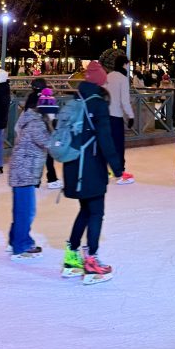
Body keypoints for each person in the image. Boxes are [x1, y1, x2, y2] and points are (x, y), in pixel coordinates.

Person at [62, 60, 123, 283]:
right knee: (96, 211)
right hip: (91, 167)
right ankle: (91, 261)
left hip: (73, 165)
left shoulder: (76, 99)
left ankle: (71, 258)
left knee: (85, 210)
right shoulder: (98, 104)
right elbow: (105, 139)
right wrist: (118, 168)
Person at [7, 88, 51, 261]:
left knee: (22, 210)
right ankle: (21, 245)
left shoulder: (32, 118)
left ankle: (15, 241)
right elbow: (48, 142)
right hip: (24, 172)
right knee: (26, 211)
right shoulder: (35, 122)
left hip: (23, 171)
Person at [99, 48, 135, 185]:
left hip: (105, 115)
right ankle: (120, 172)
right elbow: (124, 100)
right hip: (116, 116)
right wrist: (130, 116)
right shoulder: (122, 79)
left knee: (106, 143)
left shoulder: (107, 77)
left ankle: (106, 169)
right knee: (118, 145)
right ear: (124, 64)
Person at [30, 77, 62, 190]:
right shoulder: (50, 99)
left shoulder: (32, 97)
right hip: (47, 130)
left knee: (37, 155)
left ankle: (35, 181)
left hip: (35, 130)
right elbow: (54, 116)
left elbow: (27, 113)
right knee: (48, 156)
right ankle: (52, 179)